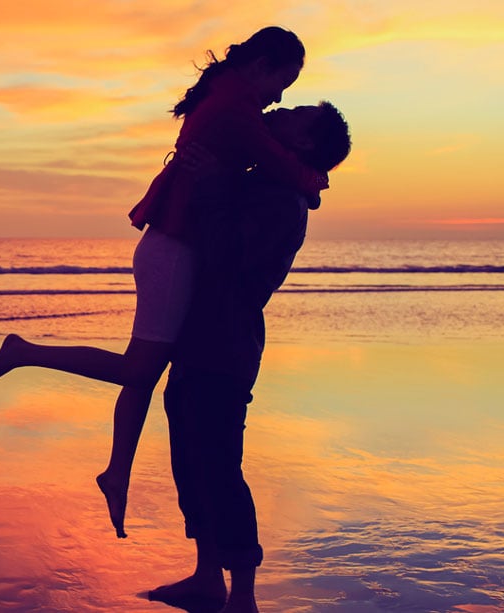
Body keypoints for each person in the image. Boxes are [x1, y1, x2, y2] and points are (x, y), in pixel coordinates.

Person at [0, 26, 325, 540]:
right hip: (174, 246)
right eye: (282, 83)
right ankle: (24, 351)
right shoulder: (236, 107)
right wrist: (315, 183)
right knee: (139, 366)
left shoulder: (229, 94)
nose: (279, 97)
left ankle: (118, 473)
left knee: (143, 373)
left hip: (174, 239)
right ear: (262, 65)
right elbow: (282, 167)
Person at [146, 102, 352, 613]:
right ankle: (207, 577)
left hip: (225, 340)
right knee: (191, 459)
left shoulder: (282, 199)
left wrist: (214, 183)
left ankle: (243, 597)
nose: (280, 109)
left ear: (303, 142)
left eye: (296, 113)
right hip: (205, 334)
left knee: (217, 465)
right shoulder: (267, 181)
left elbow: (227, 257)